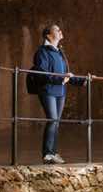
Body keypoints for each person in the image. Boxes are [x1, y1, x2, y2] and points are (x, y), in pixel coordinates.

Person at [31, 25, 85, 164]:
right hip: (48, 90)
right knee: (52, 120)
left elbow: (65, 73)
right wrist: (60, 79)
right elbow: (42, 74)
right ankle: (48, 154)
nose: (60, 31)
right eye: (57, 30)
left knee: (56, 123)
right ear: (48, 35)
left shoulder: (59, 52)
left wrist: (83, 81)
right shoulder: (42, 52)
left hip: (60, 92)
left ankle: (53, 153)